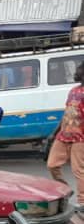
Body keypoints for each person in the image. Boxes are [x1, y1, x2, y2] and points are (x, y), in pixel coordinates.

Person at [47, 62, 84, 208]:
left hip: (80, 138)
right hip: (63, 135)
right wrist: (54, 133)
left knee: (79, 171)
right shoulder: (73, 91)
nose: (78, 72)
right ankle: (65, 190)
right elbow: (67, 113)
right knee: (52, 165)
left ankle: (82, 202)